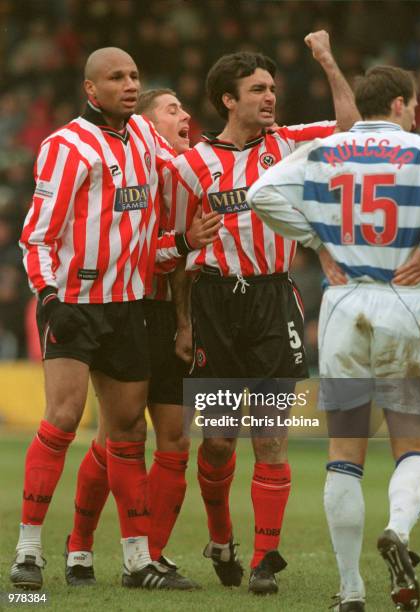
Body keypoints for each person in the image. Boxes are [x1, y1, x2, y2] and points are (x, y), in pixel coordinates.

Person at [161, 31, 359, 595]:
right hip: (216, 303)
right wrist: (182, 321)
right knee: (220, 441)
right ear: (228, 98)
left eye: (271, 88)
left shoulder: (291, 143)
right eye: (257, 89)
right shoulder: (190, 166)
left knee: (271, 436)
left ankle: (264, 560)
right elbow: (177, 252)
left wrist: (326, 57)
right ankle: (221, 537)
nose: (270, 97)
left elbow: (350, 127)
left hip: (275, 299)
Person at [11, 47, 209, 592]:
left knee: (125, 433)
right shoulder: (66, 146)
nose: (128, 84)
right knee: (63, 418)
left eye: (134, 76)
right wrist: (49, 296)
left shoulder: (145, 138)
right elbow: (37, 233)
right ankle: (28, 554)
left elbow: (190, 175)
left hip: (128, 309)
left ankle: (136, 561)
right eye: (116, 77)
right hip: (74, 303)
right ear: (90, 90)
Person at [248, 65, 420, 611]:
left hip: (343, 302)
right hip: (407, 303)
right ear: (399, 104)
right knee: (416, 446)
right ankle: (398, 529)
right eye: (415, 103)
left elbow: (261, 194)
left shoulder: (324, 152)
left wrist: (314, 242)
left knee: (344, 453)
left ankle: (351, 590)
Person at [64, 88, 220, 589]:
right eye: (172, 110)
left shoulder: (192, 177)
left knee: (174, 436)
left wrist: (187, 319)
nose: (185, 117)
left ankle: (149, 556)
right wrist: (182, 245)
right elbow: (132, 253)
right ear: (145, 129)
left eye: (184, 109)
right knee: (115, 438)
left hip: (173, 316)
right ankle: (78, 547)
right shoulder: (135, 173)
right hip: (129, 310)